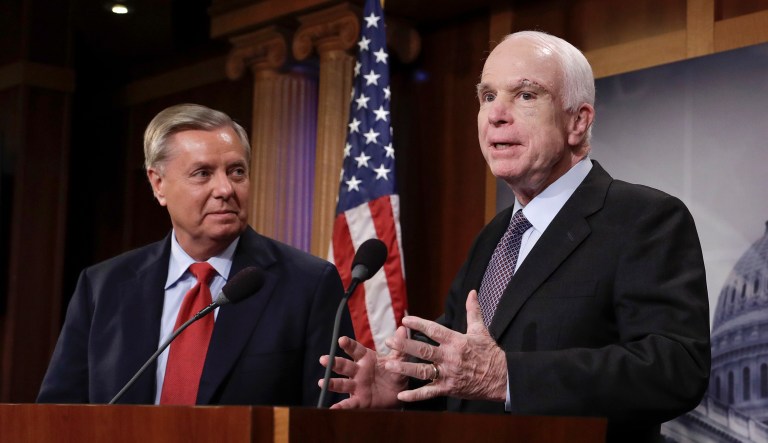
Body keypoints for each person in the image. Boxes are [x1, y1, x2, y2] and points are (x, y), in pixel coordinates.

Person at [320, 31, 710, 442]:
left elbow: (677, 368)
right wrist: (402, 384)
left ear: (577, 121)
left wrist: (509, 378)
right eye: (488, 96)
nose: (496, 114)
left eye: (525, 95)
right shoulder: (493, 237)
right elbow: (464, 380)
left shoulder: (643, 219)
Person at [38, 103, 353, 406]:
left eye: (237, 172)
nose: (225, 189)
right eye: (203, 173)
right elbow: (58, 413)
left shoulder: (308, 284)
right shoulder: (102, 286)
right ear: (158, 184)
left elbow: (331, 417)